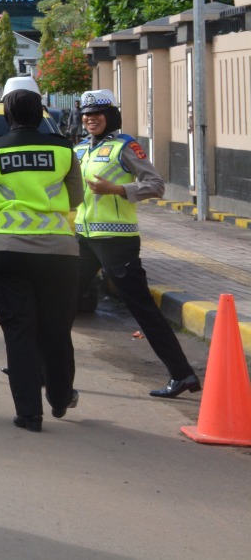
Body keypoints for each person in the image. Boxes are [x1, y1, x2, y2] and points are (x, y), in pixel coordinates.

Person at [73, 89, 202, 398]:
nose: (91, 118)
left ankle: (182, 374)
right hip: (84, 237)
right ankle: (39, 365)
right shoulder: (78, 150)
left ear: (111, 116)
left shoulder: (125, 147)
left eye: (98, 113)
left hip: (117, 240)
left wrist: (117, 189)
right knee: (62, 300)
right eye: (87, 114)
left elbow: (156, 185)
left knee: (141, 308)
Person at [0, 76, 84, 432]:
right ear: (40, 111)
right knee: (56, 329)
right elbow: (76, 198)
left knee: (19, 332)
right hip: (58, 252)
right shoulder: (64, 149)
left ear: (6, 111)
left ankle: (28, 413)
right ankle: (59, 395)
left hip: (7, 250)